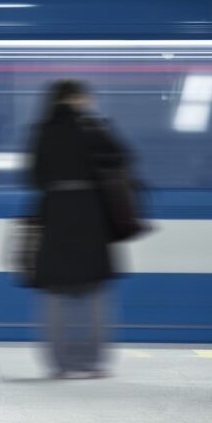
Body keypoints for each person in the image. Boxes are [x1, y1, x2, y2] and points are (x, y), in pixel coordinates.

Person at [27, 79, 129, 379]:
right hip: (90, 217)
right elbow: (120, 158)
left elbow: (34, 177)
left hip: (56, 216)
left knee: (55, 295)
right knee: (95, 293)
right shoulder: (91, 128)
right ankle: (94, 361)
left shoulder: (42, 130)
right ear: (76, 99)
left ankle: (58, 363)